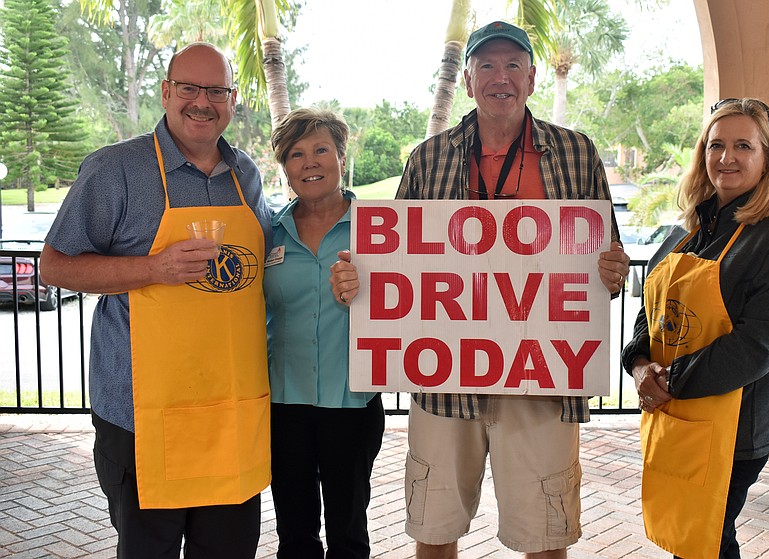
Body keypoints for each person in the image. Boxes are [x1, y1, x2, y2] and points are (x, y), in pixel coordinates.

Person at [330, 21, 630, 559]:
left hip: (542, 379)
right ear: (467, 80)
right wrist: (357, 279)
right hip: (445, 378)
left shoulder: (576, 154)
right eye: (486, 65)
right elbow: (392, 260)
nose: (501, 77)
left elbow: (607, 256)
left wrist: (612, 269)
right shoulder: (429, 158)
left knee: (545, 535)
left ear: (533, 78)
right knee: (435, 529)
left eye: (513, 65)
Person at [39, 42, 273, 558]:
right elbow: (54, 265)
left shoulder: (246, 175)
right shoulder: (115, 169)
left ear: (232, 99)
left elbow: (270, 263)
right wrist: (153, 268)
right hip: (144, 419)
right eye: (188, 88)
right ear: (166, 93)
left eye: (216, 90)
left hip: (230, 413)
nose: (202, 102)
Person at [621, 98, 769, 559]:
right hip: (676, 409)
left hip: (735, 421)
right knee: (691, 534)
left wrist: (670, 382)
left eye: (743, 146)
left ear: (767, 156)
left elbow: (759, 343)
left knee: (706, 537)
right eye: (716, 145)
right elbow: (652, 307)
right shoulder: (688, 227)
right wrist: (640, 364)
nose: (726, 157)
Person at [266, 108, 384, 558]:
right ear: (285, 167)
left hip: (351, 402)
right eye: (296, 154)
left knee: (348, 531)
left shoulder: (381, 231)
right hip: (283, 403)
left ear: (340, 155)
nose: (309, 162)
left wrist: (367, 289)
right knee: (294, 535)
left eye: (320, 150)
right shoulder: (268, 232)